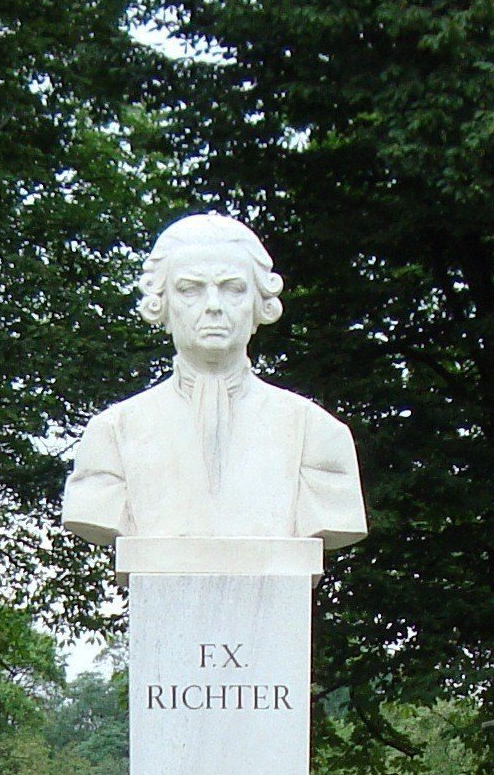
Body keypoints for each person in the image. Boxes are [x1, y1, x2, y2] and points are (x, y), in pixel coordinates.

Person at [62, 213, 367, 548]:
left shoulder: (317, 434)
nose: (213, 306)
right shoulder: (111, 435)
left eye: (233, 289)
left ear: (259, 303)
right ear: (161, 304)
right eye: (190, 289)